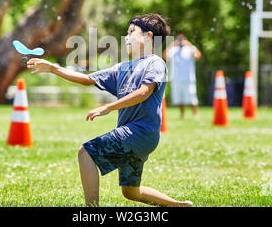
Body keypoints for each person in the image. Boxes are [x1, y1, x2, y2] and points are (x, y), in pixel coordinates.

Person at [27, 13, 193, 207]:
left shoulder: (155, 63)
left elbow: (143, 93)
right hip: (138, 136)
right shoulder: (122, 68)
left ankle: (92, 210)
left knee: (86, 153)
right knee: (131, 192)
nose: (126, 37)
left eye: (132, 32)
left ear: (148, 37)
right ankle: (179, 205)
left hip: (139, 132)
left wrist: (108, 107)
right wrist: (54, 69)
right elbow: (87, 79)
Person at [163, 34, 202, 120]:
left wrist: (189, 44)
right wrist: (171, 45)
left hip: (189, 79)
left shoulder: (190, 49)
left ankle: (196, 114)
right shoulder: (173, 50)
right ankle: (182, 115)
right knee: (179, 99)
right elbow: (164, 56)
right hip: (176, 79)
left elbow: (198, 55)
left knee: (192, 98)